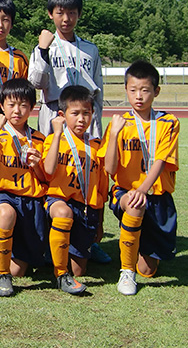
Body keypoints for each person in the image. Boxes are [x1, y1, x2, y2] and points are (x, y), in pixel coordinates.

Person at [103, 61, 179, 295]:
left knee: (148, 269)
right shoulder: (119, 124)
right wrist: (114, 133)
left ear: (156, 91)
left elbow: (159, 162)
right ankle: (126, 272)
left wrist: (143, 189)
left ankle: (135, 251)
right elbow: (109, 167)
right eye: (133, 90)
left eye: (145, 90)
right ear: (126, 89)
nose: (139, 96)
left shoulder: (168, 123)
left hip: (156, 196)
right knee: (135, 205)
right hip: (126, 192)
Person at [0, 78, 47, 297]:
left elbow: (44, 179)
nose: (17, 110)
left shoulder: (38, 139)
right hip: (2, 196)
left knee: (20, 270)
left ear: (32, 108)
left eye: (23, 105)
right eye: (11, 104)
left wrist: (37, 166)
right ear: (1, 106)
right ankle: (1, 274)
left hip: (30, 201)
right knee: (6, 214)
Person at [43, 85, 108, 295]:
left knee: (79, 270)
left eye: (86, 113)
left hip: (86, 208)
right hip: (59, 201)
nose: (81, 119)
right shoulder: (54, 140)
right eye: (75, 113)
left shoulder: (97, 146)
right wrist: (57, 132)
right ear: (62, 115)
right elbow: (49, 170)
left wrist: (100, 222)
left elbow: (102, 190)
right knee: (63, 213)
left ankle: (57, 253)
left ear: (93, 114)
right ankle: (60, 274)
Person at [28, 0, 103, 138]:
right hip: (54, 111)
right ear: (50, 14)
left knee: (86, 157)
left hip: (84, 111)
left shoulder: (90, 50)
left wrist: (96, 119)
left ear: (79, 14)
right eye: (60, 13)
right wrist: (43, 51)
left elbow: (98, 89)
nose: (66, 19)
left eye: (72, 13)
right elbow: (36, 83)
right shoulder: (44, 47)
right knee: (53, 157)